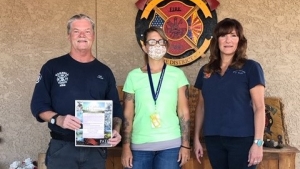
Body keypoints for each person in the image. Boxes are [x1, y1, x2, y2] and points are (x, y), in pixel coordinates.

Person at [30, 14, 123, 169]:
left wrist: (116, 130)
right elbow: (38, 105)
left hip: (95, 149)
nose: (82, 35)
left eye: (87, 31)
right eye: (76, 31)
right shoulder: (52, 67)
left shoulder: (104, 72)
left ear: (93, 35)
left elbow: (116, 109)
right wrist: (58, 119)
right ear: (68, 36)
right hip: (62, 148)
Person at [193, 18, 265, 169]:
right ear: (217, 40)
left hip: (242, 139)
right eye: (223, 35)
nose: (228, 40)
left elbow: (259, 107)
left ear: (240, 40)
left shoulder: (251, 67)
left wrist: (258, 143)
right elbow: (201, 107)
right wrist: (196, 139)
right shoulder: (206, 71)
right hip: (213, 139)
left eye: (233, 35)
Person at [121, 26, 191, 169]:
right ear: (144, 46)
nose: (157, 45)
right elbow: (127, 115)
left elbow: (184, 112)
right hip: (140, 146)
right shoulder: (133, 76)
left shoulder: (177, 75)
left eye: (161, 41)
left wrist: (186, 145)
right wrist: (125, 147)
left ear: (166, 45)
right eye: (152, 42)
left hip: (171, 145)